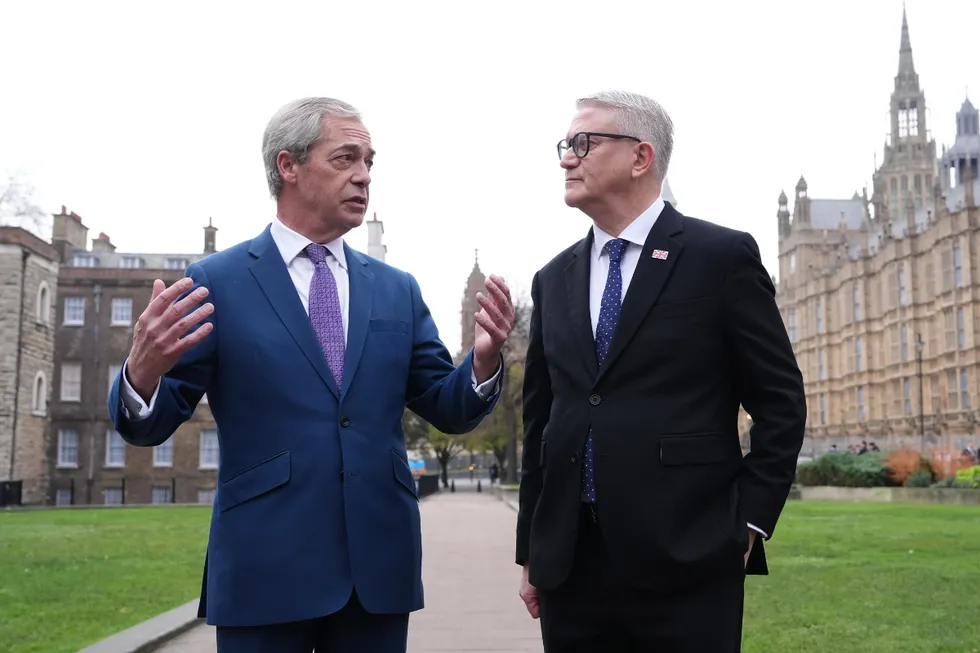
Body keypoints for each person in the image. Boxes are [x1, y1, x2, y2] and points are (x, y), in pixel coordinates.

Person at [108, 97, 514, 653]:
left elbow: (447, 406)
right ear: (288, 166)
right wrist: (142, 372)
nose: (364, 176)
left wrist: (484, 362)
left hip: (378, 570)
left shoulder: (398, 289)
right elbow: (147, 425)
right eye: (345, 158)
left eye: (370, 161)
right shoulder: (216, 282)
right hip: (263, 569)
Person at [515, 90, 806, 652]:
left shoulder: (720, 257)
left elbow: (780, 401)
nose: (566, 158)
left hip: (689, 562)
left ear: (640, 157)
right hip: (571, 571)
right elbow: (541, 425)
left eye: (583, 143)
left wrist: (748, 522)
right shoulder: (552, 279)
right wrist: (532, 547)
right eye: (565, 145)